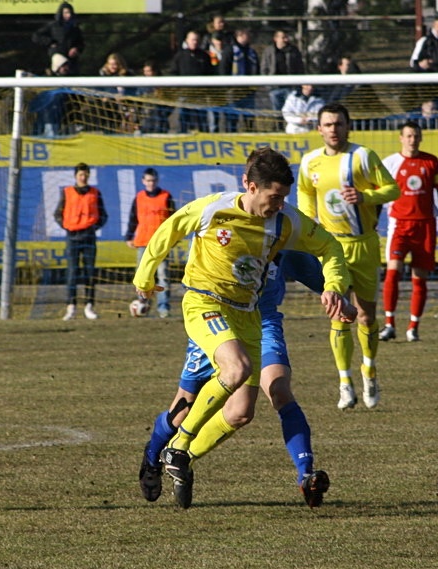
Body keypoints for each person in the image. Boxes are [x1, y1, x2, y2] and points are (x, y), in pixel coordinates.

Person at [133, 148, 352, 502]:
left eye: (283, 197)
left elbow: (329, 246)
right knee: (226, 376)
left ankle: (175, 453)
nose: (279, 204)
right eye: (273, 197)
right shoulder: (214, 208)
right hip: (205, 304)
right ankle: (168, 451)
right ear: (249, 186)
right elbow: (171, 227)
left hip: (247, 316)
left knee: (240, 411)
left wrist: (334, 286)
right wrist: (144, 275)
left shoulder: (285, 222)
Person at [139, 250, 356, 508]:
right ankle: (153, 459)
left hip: (263, 323)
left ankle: (306, 475)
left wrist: (339, 297)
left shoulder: (285, 229)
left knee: (258, 402)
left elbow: (318, 273)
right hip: (217, 319)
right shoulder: (228, 224)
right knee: (183, 408)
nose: (274, 208)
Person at [297, 103, 400, 410]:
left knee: (366, 315)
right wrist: (307, 223)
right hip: (331, 249)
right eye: (327, 124)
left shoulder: (363, 157)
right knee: (338, 314)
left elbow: (393, 190)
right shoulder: (309, 162)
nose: (333, 129)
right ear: (319, 129)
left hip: (364, 244)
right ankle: (344, 381)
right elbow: (304, 193)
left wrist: (366, 196)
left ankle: (369, 370)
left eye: (338, 124)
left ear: (347, 126)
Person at [379, 122, 438, 344]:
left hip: (425, 226)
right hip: (399, 225)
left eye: (416, 136)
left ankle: (413, 327)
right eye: (409, 136)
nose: (413, 140)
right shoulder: (390, 163)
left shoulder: (431, 161)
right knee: (392, 272)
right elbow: (377, 195)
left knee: (419, 278)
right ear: (401, 138)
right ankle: (389, 324)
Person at [54, 162, 108, 321]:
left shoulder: (95, 193)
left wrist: (93, 227)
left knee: (89, 273)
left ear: (89, 176)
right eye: (80, 175)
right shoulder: (67, 192)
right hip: (72, 237)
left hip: (89, 236)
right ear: (75, 176)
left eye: (85, 175)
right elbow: (58, 213)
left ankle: (89, 306)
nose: (83, 178)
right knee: (72, 273)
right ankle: (71, 306)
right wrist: (66, 226)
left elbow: (103, 215)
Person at [125, 168, 175, 318]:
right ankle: (143, 305)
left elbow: (174, 219)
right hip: (143, 242)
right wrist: (129, 235)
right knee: (143, 276)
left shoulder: (166, 196)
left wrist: (173, 238)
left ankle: (163, 308)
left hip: (161, 244)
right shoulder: (139, 197)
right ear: (143, 181)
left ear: (157, 180)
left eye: (153, 180)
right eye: (148, 180)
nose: (150, 183)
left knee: (163, 276)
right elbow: (133, 217)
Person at [168, 30, 215, 133]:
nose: (195, 42)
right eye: (193, 39)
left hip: (200, 96)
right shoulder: (180, 56)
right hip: (185, 95)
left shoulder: (204, 56)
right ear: (187, 41)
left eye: (197, 40)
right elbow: (173, 73)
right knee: (184, 120)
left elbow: (210, 73)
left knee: (202, 121)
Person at [219, 28, 260, 132]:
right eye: (246, 35)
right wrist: (228, 87)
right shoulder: (230, 50)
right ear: (240, 36)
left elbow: (257, 68)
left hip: (248, 91)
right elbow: (224, 69)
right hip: (234, 91)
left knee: (249, 118)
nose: (249, 37)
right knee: (232, 118)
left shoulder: (251, 52)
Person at [32, 2, 84, 75]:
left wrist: (76, 49)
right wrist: (50, 42)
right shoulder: (53, 26)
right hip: (57, 60)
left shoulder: (75, 28)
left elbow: (81, 43)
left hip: (71, 62)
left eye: (70, 13)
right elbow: (36, 36)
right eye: (66, 13)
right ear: (61, 13)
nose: (68, 15)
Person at [260, 30, 305, 112]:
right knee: (277, 113)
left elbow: (300, 68)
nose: (286, 40)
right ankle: (278, 125)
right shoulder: (268, 51)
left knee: (291, 111)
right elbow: (264, 68)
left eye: (286, 37)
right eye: (283, 37)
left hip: (290, 87)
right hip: (274, 88)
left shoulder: (293, 50)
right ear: (276, 38)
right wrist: (268, 85)